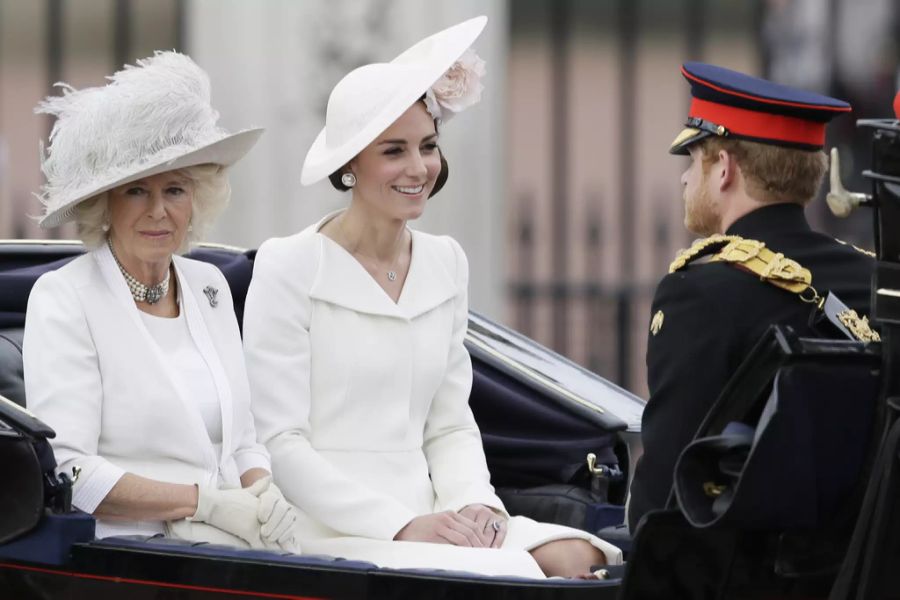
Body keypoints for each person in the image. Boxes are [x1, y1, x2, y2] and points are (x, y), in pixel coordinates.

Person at [243, 17, 622, 578]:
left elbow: (449, 423)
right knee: (514, 576)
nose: (418, 168)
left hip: (434, 512)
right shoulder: (289, 264)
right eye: (393, 151)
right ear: (350, 164)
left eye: (427, 146)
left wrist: (477, 505)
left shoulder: (446, 260)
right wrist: (401, 525)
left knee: (582, 556)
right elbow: (278, 444)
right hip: (327, 523)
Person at [24, 51, 299, 551]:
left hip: (230, 549)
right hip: (133, 558)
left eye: (174, 189)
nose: (158, 211)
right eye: (135, 191)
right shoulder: (65, 299)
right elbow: (72, 471)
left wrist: (262, 491)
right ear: (104, 204)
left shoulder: (209, 286)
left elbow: (242, 441)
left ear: (197, 199)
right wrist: (205, 501)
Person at [627, 62, 876, 532]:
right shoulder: (871, 279)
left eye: (693, 159)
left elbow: (663, 499)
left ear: (724, 168)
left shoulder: (698, 295)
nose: (684, 179)